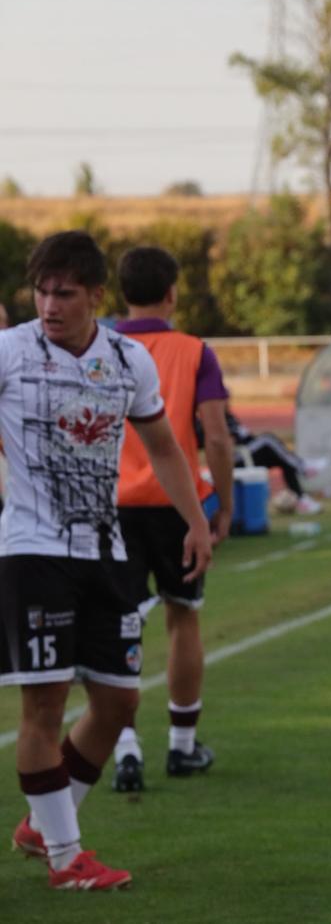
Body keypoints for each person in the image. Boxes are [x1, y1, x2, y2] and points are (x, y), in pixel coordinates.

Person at [2, 231, 214, 891]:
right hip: (33, 551)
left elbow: (165, 446)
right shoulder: (9, 352)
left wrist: (196, 519)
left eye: (64, 293)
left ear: (97, 295)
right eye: (41, 292)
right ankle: (67, 858)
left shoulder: (128, 360)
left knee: (119, 701)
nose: (49, 305)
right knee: (44, 705)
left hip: (105, 548)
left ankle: (45, 823)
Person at [109, 246, 233, 794]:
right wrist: (223, 504)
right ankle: (182, 746)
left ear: (120, 293)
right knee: (184, 618)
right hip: (176, 504)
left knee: (118, 625)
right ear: (172, 293)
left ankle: (124, 748)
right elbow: (217, 436)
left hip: (111, 504)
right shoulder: (193, 350)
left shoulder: (100, 348)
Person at [225, 409, 321, 514]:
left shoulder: (228, 414)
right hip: (238, 457)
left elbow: (246, 437)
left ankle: (301, 500)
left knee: (285, 461)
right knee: (267, 439)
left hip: (249, 453)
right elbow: (226, 442)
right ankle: (303, 467)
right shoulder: (218, 414)